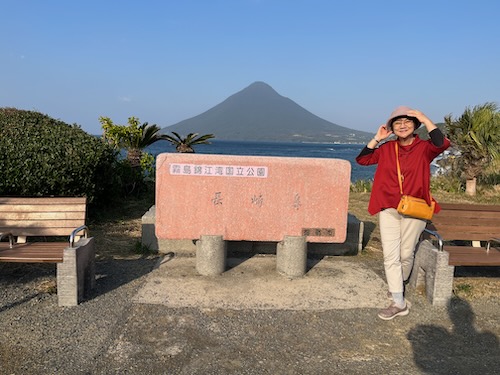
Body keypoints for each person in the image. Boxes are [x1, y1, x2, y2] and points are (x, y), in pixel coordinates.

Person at [356, 106, 451, 320]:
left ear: (415, 125)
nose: (402, 125)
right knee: (390, 255)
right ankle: (398, 301)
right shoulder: (387, 148)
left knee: (406, 254)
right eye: (397, 123)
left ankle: (397, 284)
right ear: (392, 128)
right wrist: (377, 138)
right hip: (388, 206)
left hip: (415, 207)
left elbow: (442, 143)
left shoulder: (424, 148)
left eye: (407, 121)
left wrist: (425, 117)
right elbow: (362, 160)